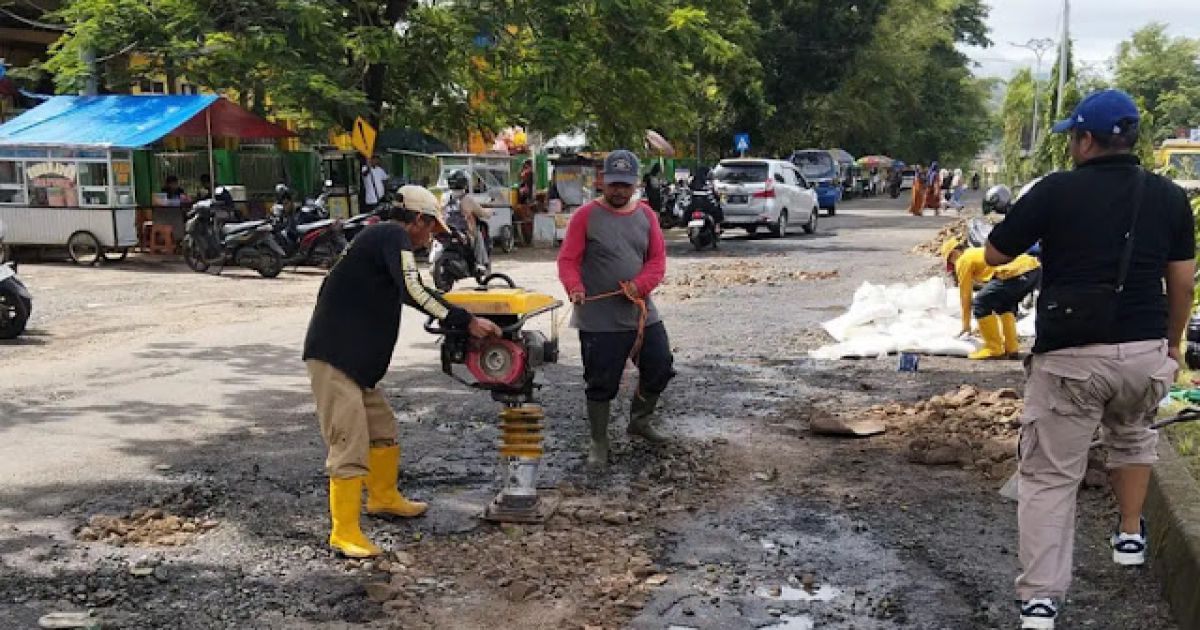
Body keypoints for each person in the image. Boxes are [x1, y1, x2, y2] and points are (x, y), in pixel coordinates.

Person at [984, 89, 1196, 630]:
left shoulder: (1056, 191)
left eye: (1073, 137)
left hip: (1072, 360)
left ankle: (1040, 601)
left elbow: (994, 253)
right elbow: (1182, 282)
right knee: (1132, 437)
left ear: (1084, 140)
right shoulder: (1170, 198)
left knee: (1051, 476)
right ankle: (1129, 534)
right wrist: (1171, 346)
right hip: (1144, 354)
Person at [302, 185, 503, 558]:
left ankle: (383, 497)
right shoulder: (392, 235)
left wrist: (455, 314)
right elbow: (413, 289)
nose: (430, 239)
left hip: (355, 363)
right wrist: (466, 321)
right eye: (430, 229)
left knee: (383, 430)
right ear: (418, 220)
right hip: (336, 358)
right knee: (349, 442)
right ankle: (343, 532)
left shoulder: (378, 236)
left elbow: (410, 290)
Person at [557, 150, 675, 472]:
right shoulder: (585, 216)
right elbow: (568, 260)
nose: (619, 191)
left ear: (635, 183)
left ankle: (640, 420)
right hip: (598, 319)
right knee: (600, 381)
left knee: (660, 364)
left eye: (625, 185)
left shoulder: (648, 216)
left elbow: (657, 262)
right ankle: (598, 440)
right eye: (613, 185)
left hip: (640, 313)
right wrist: (574, 287)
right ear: (602, 182)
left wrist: (641, 284)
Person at [941, 236, 1040, 359]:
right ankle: (1011, 348)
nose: (953, 265)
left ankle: (993, 348)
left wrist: (966, 325)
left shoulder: (963, 260)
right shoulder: (974, 252)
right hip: (1032, 269)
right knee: (1004, 304)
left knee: (980, 303)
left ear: (954, 253)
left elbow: (965, 294)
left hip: (1014, 272)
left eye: (951, 261)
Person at [442, 169, 493, 275]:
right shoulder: (467, 199)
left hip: (446, 230)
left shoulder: (444, 197)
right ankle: (480, 263)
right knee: (478, 235)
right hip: (463, 232)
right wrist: (490, 212)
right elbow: (482, 213)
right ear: (464, 183)